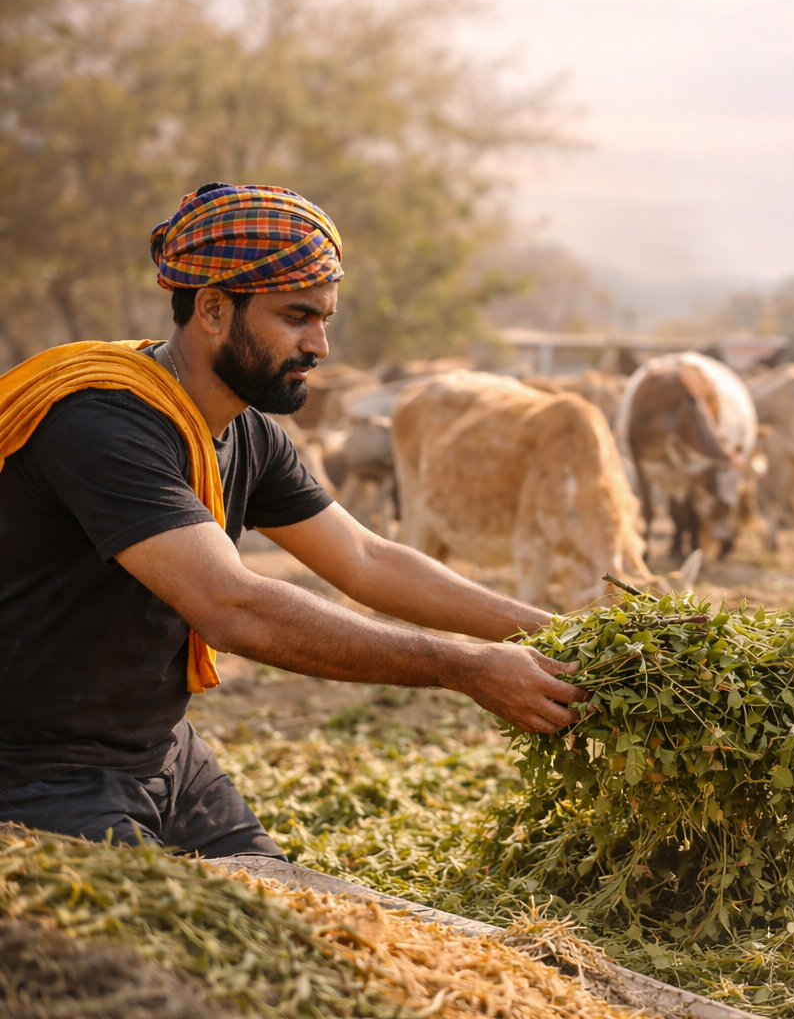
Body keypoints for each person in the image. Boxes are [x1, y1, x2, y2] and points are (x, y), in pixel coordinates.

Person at [0, 183, 588, 859]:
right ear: (215, 310)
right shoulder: (104, 424)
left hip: (158, 754)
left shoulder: (245, 431)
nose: (321, 345)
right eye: (297, 317)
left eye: (325, 318)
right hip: (32, 768)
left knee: (277, 893)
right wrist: (464, 667)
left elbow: (365, 559)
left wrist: (559, 633)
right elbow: (233, 606)